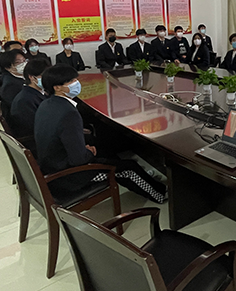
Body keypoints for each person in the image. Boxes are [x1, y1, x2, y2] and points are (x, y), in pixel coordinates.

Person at [35, 64, 167, 202]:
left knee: (106, 148)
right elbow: (78, 159)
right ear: (57, 87)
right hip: (69, 175)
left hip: (53, 165)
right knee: (128, 168)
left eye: (76, 79)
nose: (76, 83)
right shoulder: (69, 113)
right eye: (71, 81)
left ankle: (148, 179)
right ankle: (160, 194)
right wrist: (89, 152)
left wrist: (84, 148)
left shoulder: (46, 104)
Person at [9, 58, 47, 139]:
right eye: (44, 76)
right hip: (35, 139)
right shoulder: (24, 101)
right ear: (32, 77)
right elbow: (34, 127)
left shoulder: (37, 92)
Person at [0, 49, 27, 121]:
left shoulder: (24, 76)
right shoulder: (10, 84)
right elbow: (18, 108)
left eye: (24, 61)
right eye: (18, 62)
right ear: (7, 67)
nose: (23, 64)